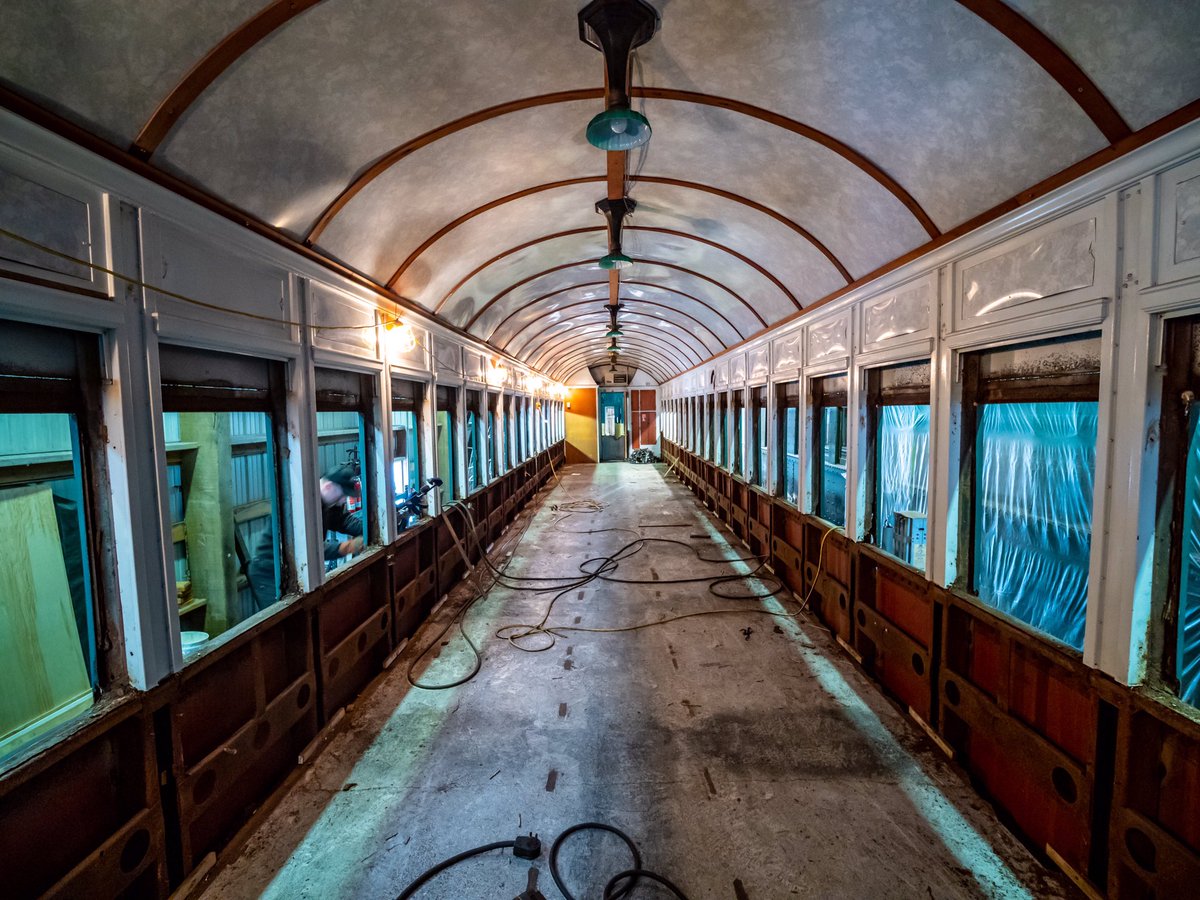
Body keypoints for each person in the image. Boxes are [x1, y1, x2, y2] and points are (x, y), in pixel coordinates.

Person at [320, 464, 364, 561]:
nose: (344, 500)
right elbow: (311, 551)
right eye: (343, 495)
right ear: (328, 487)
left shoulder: (331, 504)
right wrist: (348, 547)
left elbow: (344, 521)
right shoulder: (305, 507)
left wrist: (368, 529)